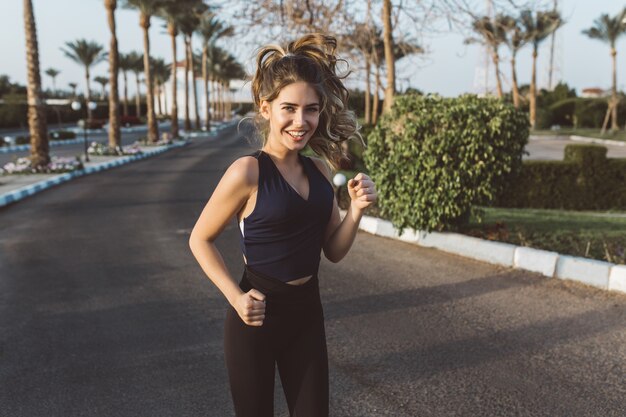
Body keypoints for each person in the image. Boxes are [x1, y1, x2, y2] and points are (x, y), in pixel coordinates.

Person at [188, 33, 377, 417]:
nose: (300, 120)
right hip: (255, 316)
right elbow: (200, 239)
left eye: (311, 109)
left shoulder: (321, 170)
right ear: (266, 107)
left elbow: (333, 252)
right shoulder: (247, 172)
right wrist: (236, 298)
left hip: (307, 315)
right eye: (288, 108)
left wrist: (356, 209)